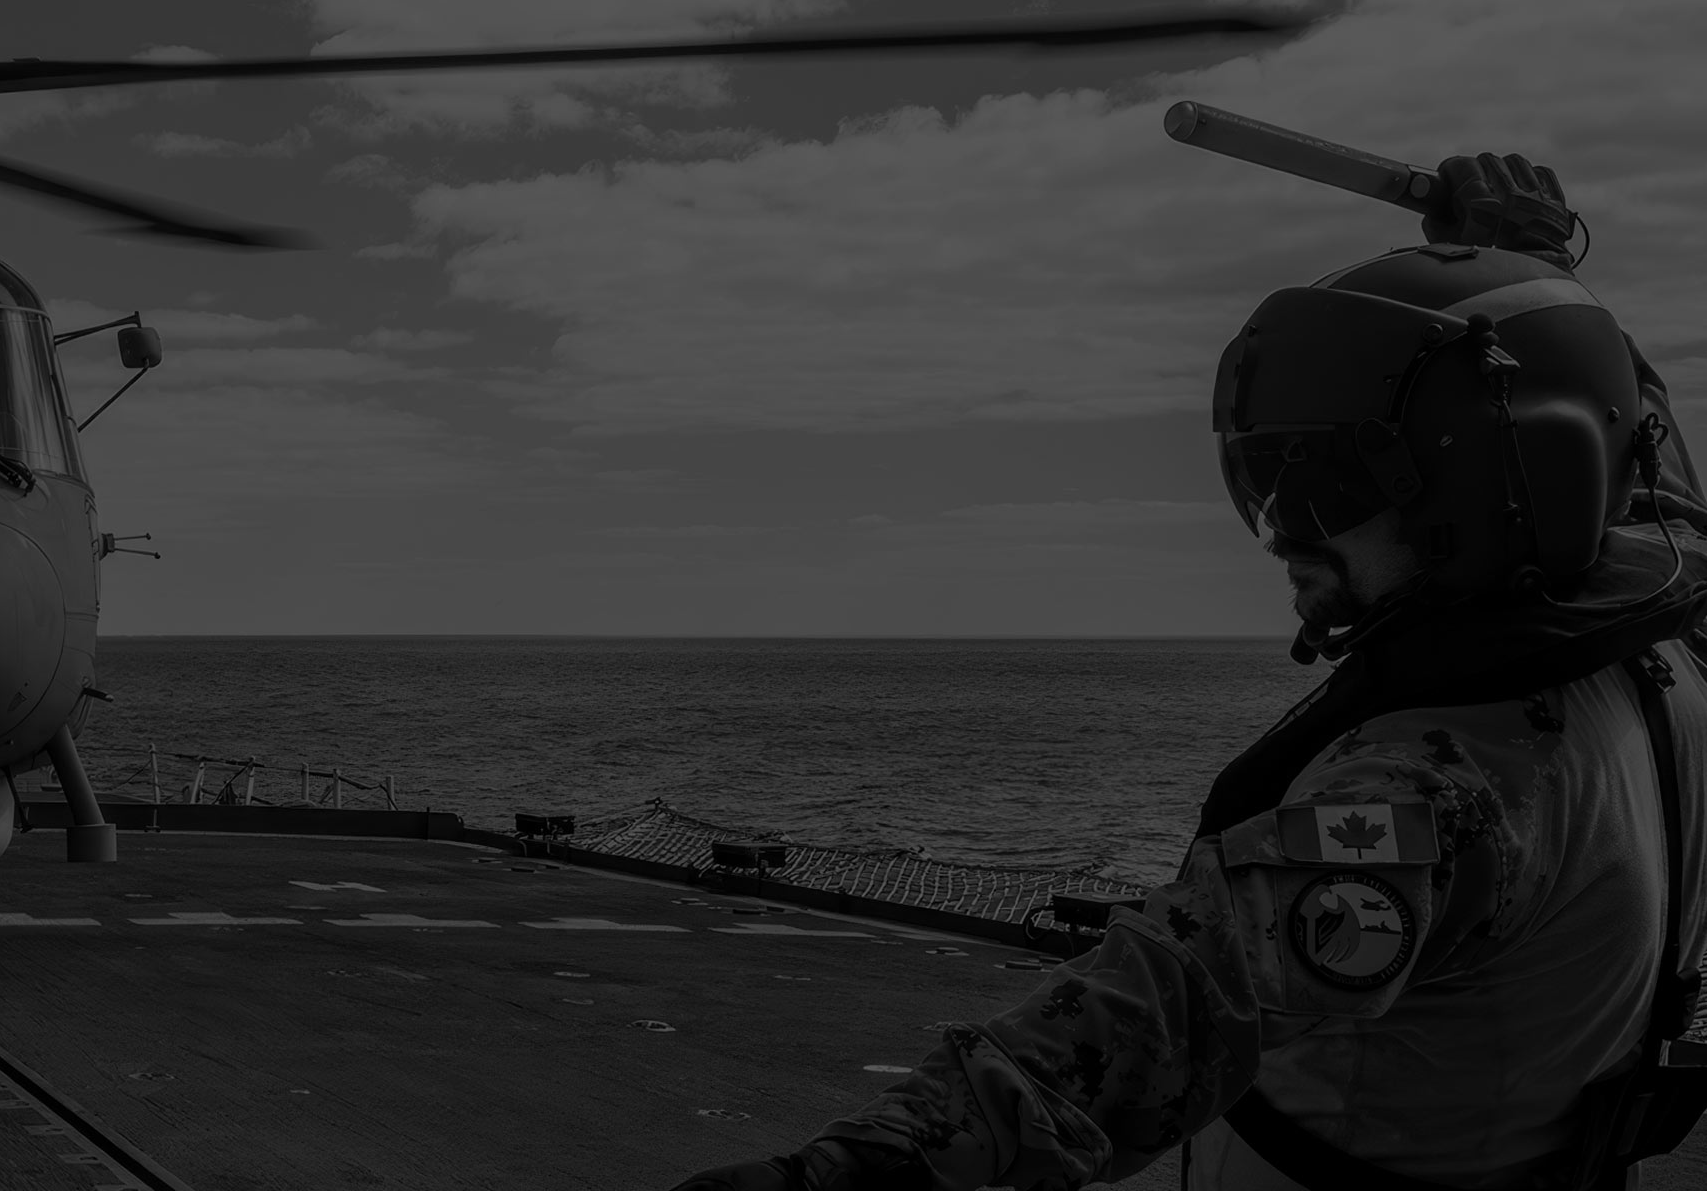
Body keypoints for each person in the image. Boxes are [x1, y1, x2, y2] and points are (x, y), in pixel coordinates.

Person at [666, 155, 1707, 1191]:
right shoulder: (1666, 632)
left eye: (1325, 485)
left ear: (1485, 488)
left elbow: (1177, 991)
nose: (1280, 537)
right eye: (1266, 484)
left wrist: (868, 1169)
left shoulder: (1443, 791)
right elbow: (1621, 448)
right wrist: (1533, 275)